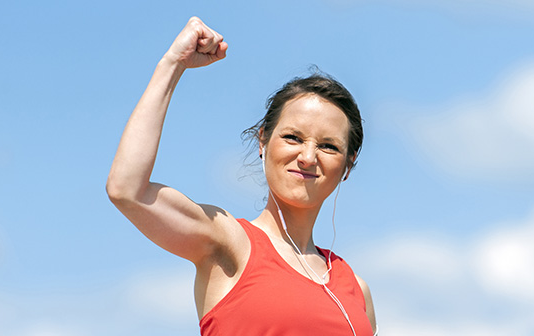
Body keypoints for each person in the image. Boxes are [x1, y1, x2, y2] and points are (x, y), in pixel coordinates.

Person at [106, 17, 377, 336]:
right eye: (293, 137)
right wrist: (172, 64)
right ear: (263, 141)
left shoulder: (356, 288)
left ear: (348, 164)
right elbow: (127, 190)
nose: (307, 156)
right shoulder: (228, 242)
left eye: (328, 146)